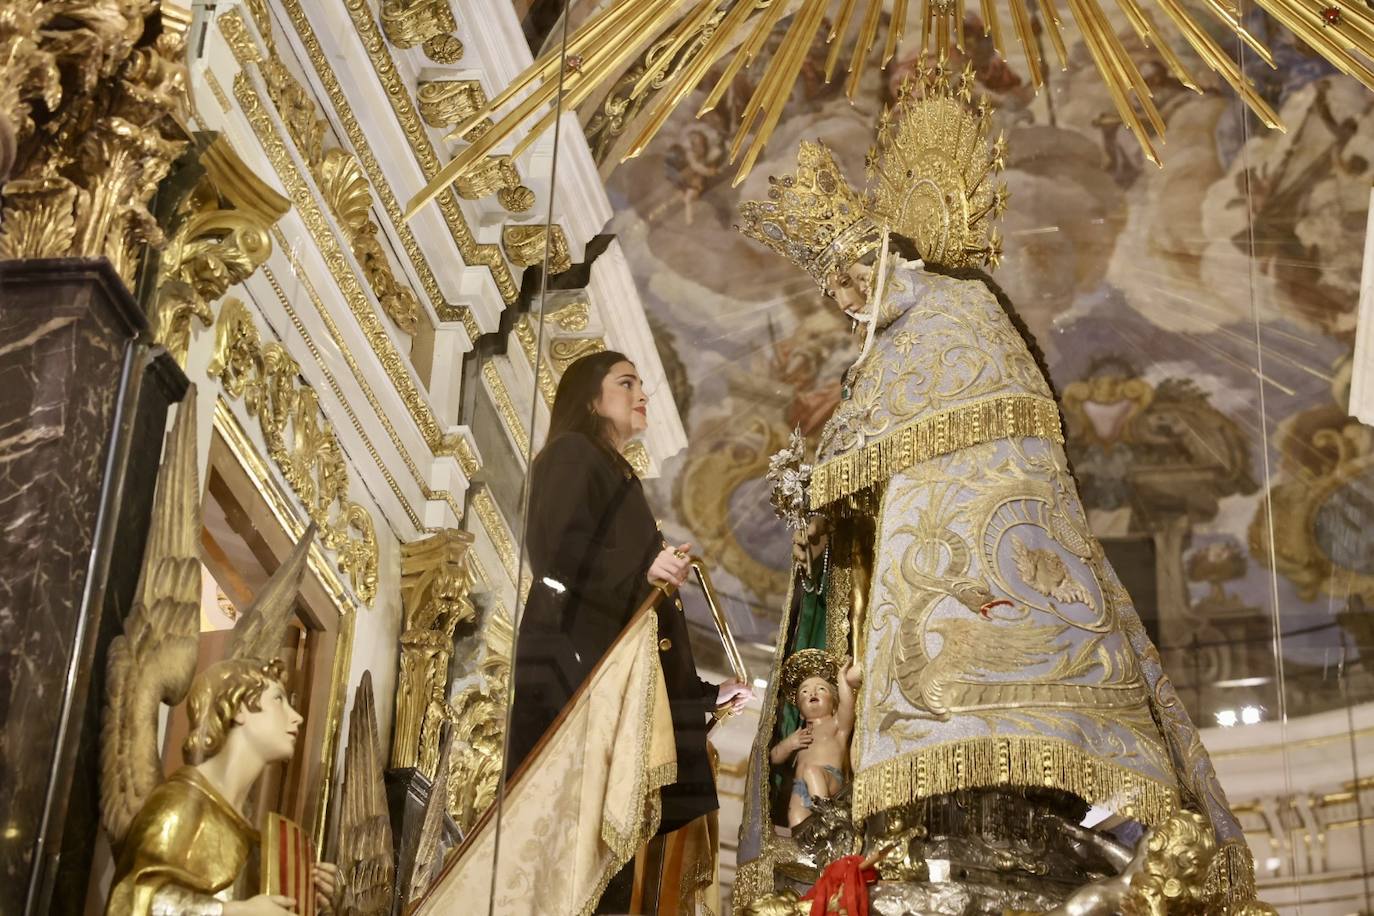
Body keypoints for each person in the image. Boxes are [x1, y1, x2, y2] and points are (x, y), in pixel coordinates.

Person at [732, 70, 1259, 914]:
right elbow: (871, 435)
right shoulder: (885, 349)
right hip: (917, 557)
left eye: (847, 277)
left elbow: (950, 413)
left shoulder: (954, 308)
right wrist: (822, 491)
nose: (842, 299)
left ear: (881, 253)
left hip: (994, 546)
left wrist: (827, 473)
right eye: (830, 291)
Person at [506, 349, 753, 912]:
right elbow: (554, 555)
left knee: (605, 858)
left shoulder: (615, 473)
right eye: (626, 382)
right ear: (591, 400)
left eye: (641, 384)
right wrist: (641, 568)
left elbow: (633, 629)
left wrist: (707, 695)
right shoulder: (572, 455)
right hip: (573, 679)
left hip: (601, 682)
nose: (642, 393)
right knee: (576, 847)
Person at [108, 658, 343, 915]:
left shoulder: (249, 832)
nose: (296, 717)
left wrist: (318, 906)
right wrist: (233, 913)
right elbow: (132, 902)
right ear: (239, 707)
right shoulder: (182, 802)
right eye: (278, 700)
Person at [768, 650, 862, 827]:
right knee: (796, 820)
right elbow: (773, 757)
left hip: (828, 779)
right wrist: (790, 744)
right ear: (801, 714)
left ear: (834, 703)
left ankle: (830, 817)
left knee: (811, 770)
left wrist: (842, 679)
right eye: (804, 691)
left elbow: (848, 706)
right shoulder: (800, 735)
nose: (812, 692)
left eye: (821, 689)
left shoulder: (836, 725)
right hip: (800, 787)